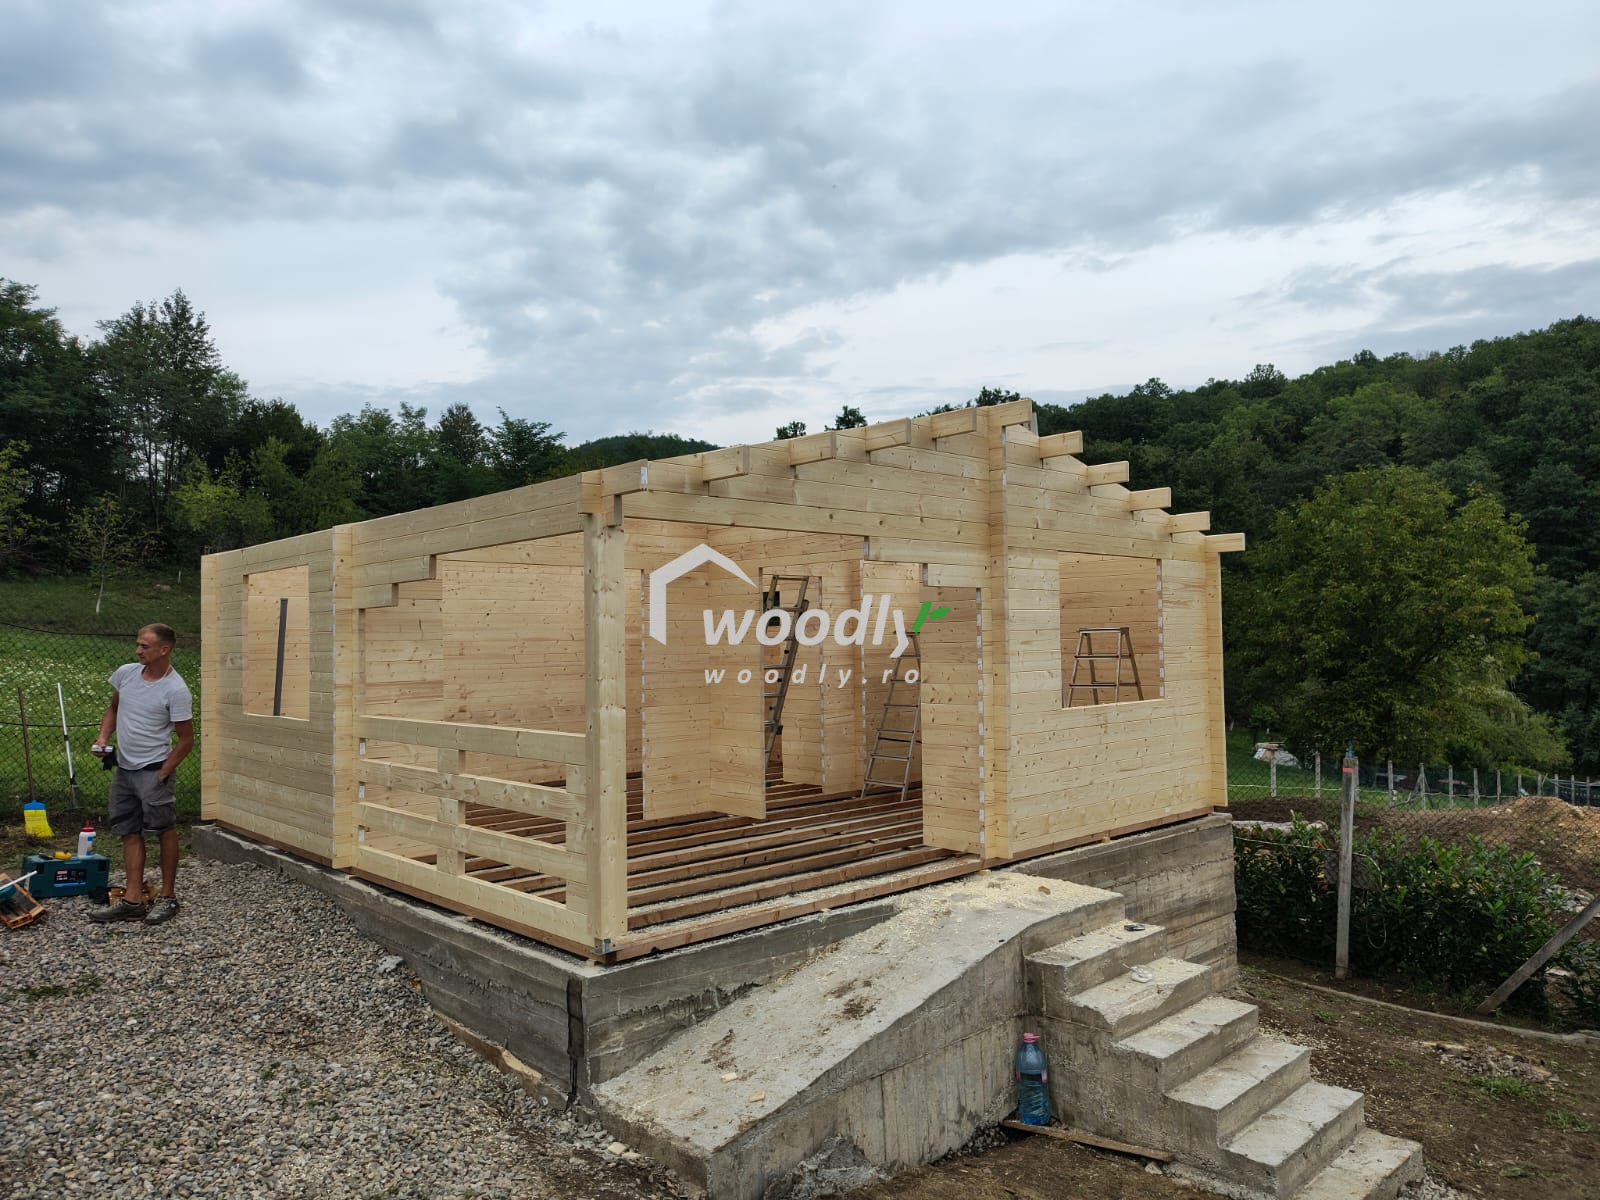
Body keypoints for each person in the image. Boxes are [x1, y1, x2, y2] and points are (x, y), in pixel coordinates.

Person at [88, 623, 195, 925]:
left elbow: (186, 739)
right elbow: (113, 709)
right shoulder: (126, 674)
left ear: (164, 649)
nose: (138, 651)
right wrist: (103, 738)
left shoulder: (176, 690)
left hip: (154, 770)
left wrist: (164, 771)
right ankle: (133, 900)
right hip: (124, 769)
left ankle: (168, 897)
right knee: (128, 830)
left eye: (144, 646)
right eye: (138, 645)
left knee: (164, 829)